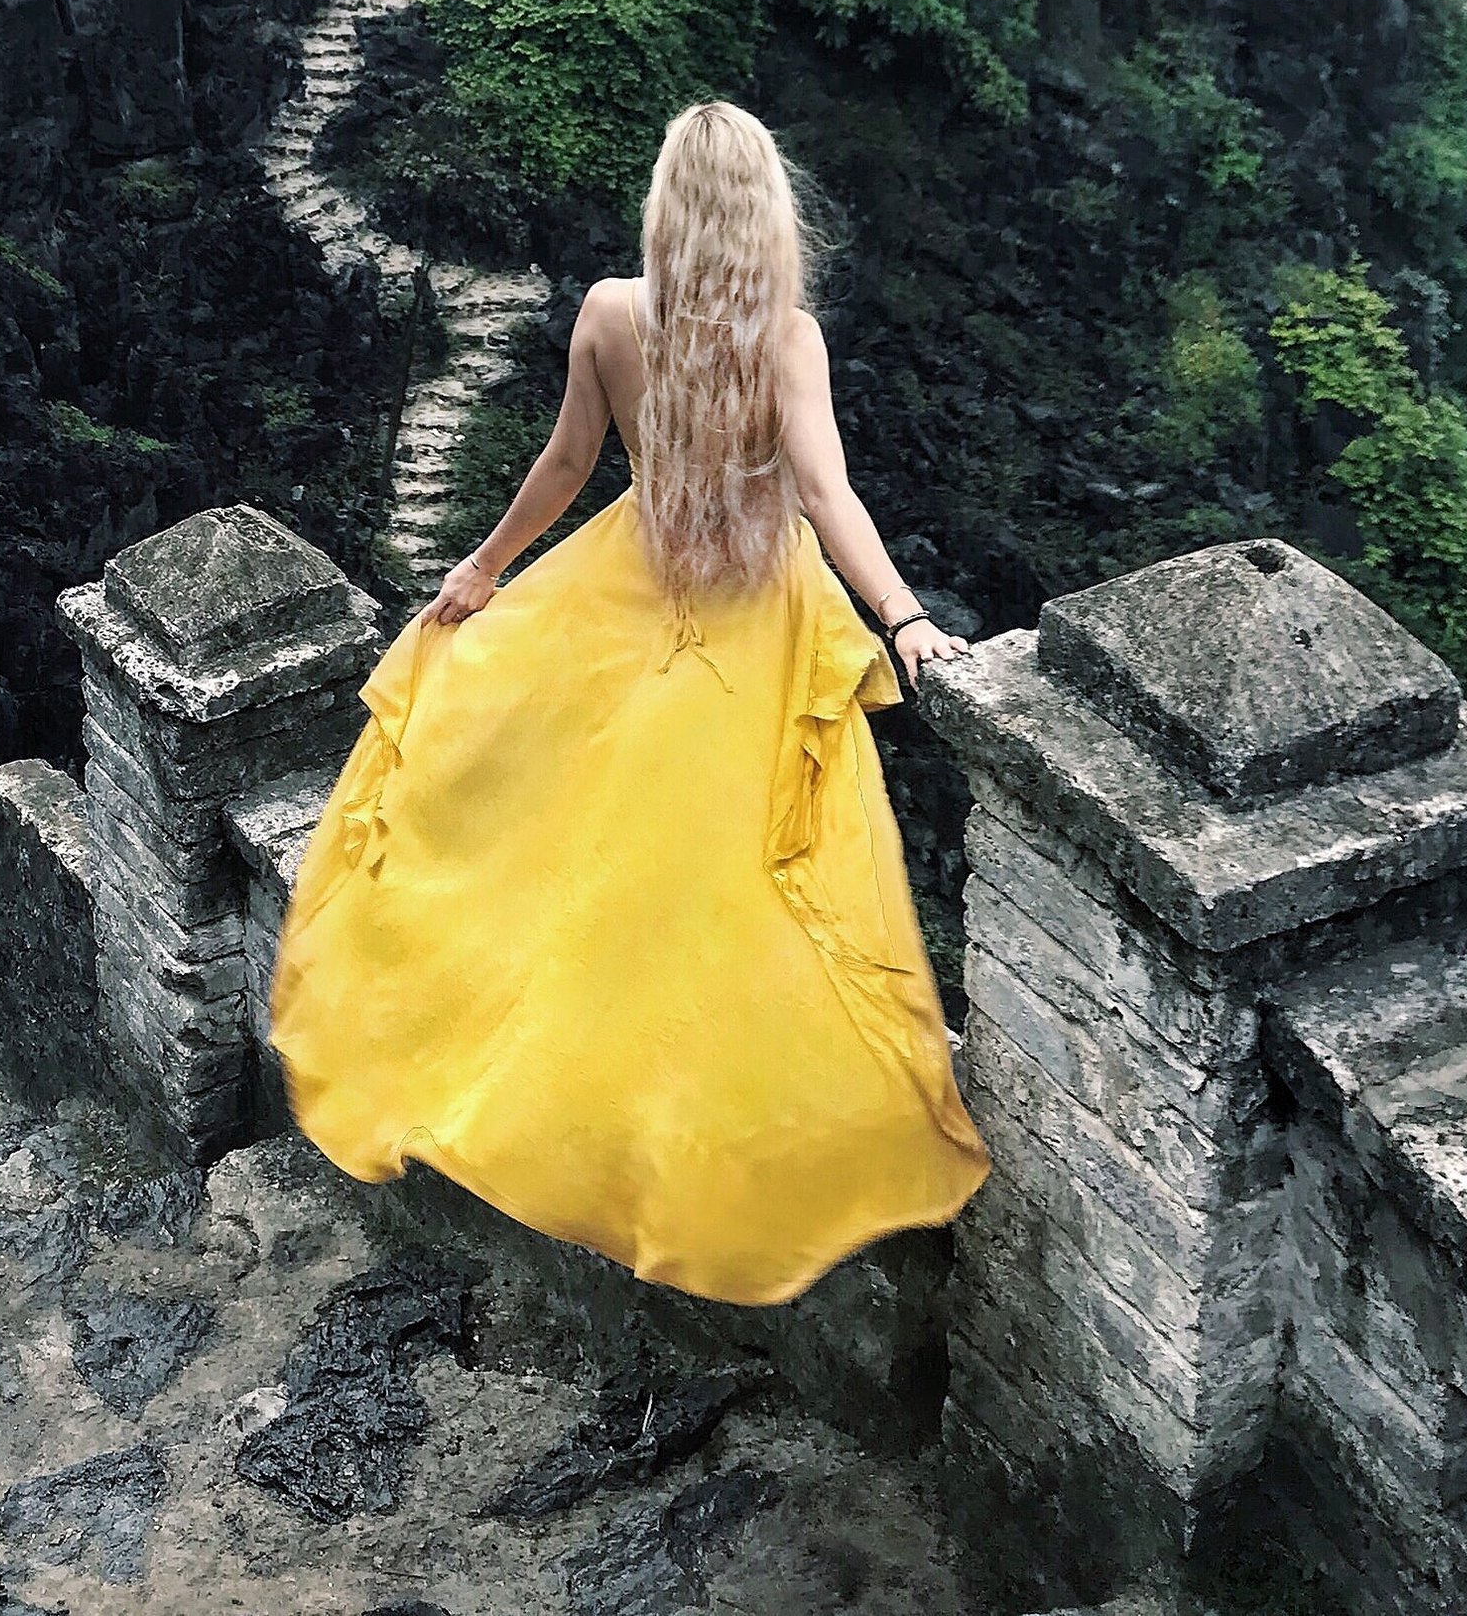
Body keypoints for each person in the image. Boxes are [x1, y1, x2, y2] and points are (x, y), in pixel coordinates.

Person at [270, 100, 990, 1306]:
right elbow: (823, 492)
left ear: (665, 207)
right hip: (756, 617)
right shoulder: (789, 337)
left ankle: (566, 1104)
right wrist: (905, 619)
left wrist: (482, 568)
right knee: (742, 881)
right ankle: (705, 1145)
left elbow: (565, 464)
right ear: (768, 212)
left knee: (577, 847)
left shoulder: (610, 312)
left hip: (631, 589)